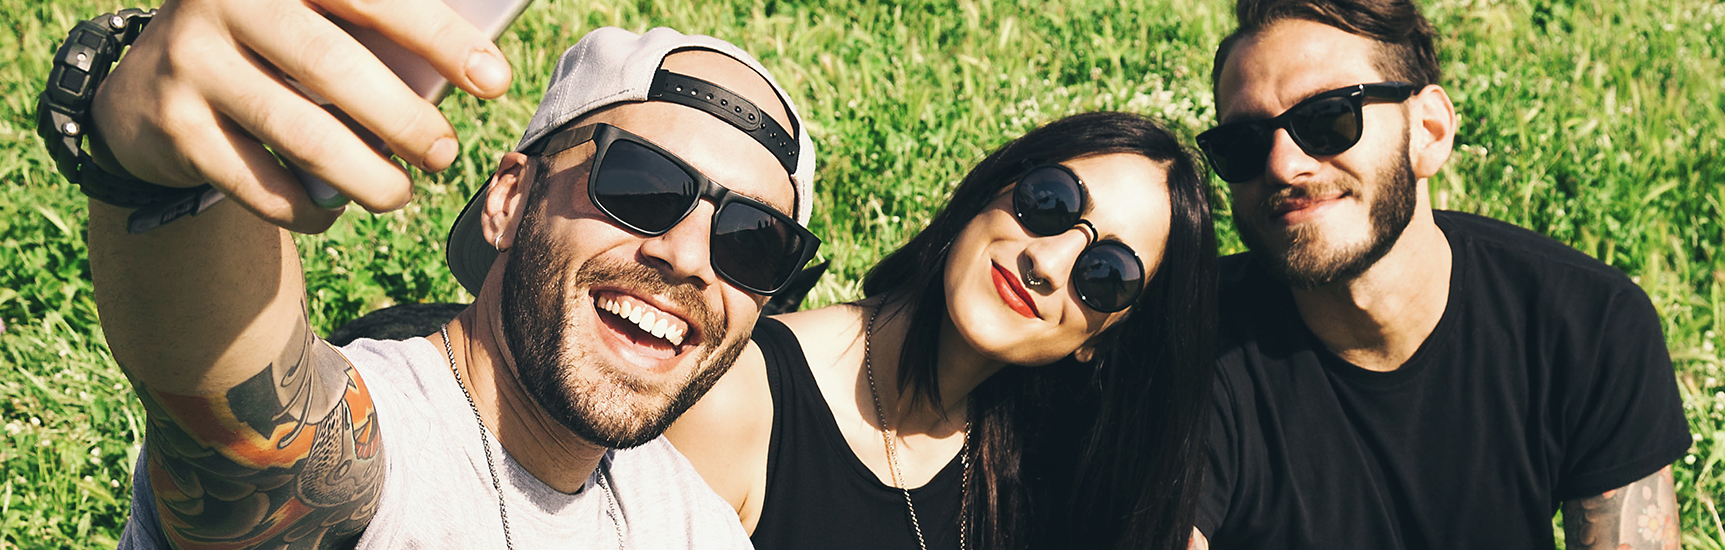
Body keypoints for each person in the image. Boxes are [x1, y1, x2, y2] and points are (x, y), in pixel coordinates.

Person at [72, 0, 821, 546]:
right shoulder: (387, 457)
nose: (687, 258)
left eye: (754, 241)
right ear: (509, 198)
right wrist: (159, 174)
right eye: (642, 186)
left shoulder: (694, 526)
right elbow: (248, 430)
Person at [1187, 0, 1691, 548]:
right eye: (1244, 143)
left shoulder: (1588, 325)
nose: (1283, 166)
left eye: (1326, 119)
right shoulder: (1188, 341)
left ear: (1428, 130)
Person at [663, 111, 1220, 550]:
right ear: (993, 189)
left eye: (1106, 274)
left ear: (1101, 340)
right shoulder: (736, 405)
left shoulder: (1045, 470)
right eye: (1051, 202)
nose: (1048, 264)